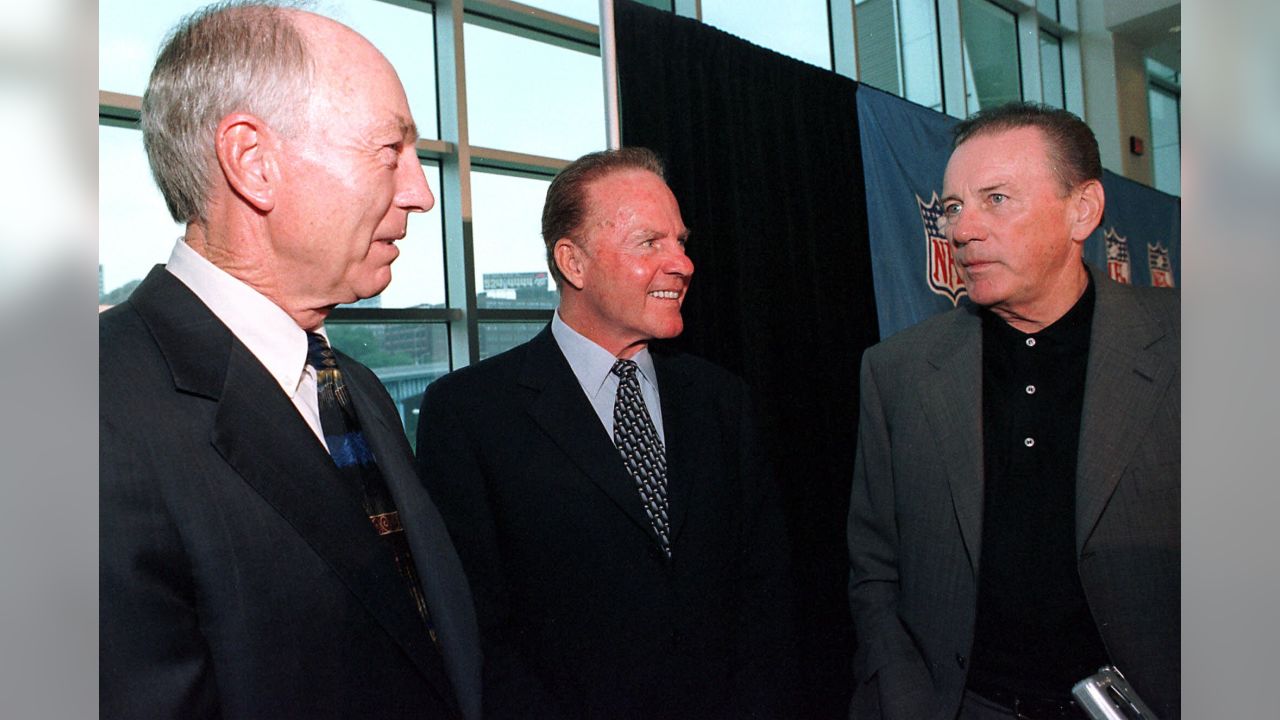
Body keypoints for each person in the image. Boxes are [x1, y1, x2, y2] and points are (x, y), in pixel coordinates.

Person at [99, 3, 481, 718]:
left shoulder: (355, 388)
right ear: (253, 163)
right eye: (389, 151)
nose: (421, 193)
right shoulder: (76, 412)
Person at [416, 148, 797, 719]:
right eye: (651, 243)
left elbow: (766, 593)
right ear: (574, 263)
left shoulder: (720, 399)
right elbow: (477, 631)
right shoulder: (470, 414)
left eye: (681, 242)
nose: (684, 264)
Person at [847, 102, 1179, 720]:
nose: (962, 229)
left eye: (995, 199)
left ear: (1083, 210)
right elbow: (874, 570)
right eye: (952, 207)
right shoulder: (897, 372)